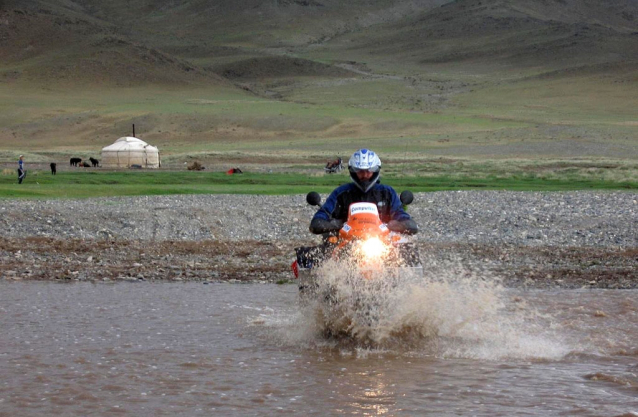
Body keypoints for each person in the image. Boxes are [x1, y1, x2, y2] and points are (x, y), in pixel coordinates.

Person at [310, 148, 418, 235]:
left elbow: (402, 215)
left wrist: (398, 225)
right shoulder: (341, 193)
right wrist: (335, 224)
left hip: (381, 241)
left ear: (375, 171)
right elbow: (319, 218)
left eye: (369, 171)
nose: (365, 175)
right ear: (353, 171)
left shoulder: (387, 192)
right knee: (319, 254)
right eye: (360, 171)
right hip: (344, 240)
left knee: (408, 253)